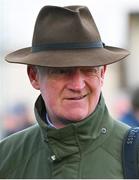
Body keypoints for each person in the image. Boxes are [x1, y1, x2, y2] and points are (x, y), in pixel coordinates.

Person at [0, 5, 130, 179]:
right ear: (34, 76)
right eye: (61, 71)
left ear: (102, 73)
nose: (77, 85)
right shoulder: (6, 159)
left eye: (88, 69)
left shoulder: (133, 154)